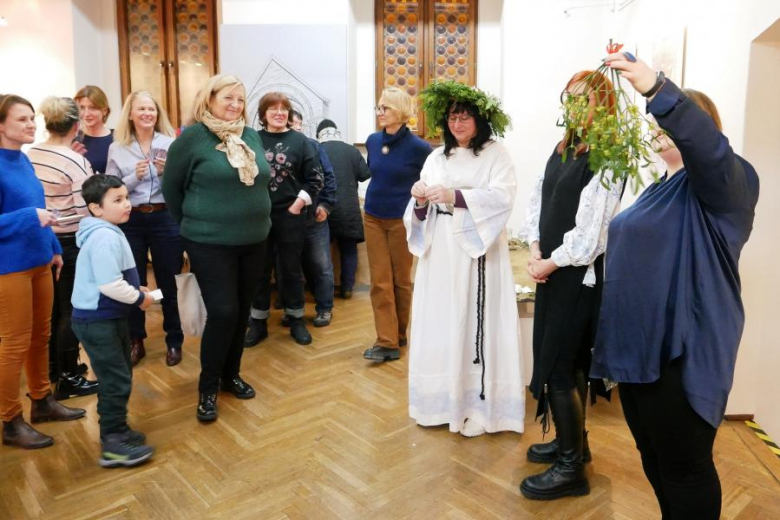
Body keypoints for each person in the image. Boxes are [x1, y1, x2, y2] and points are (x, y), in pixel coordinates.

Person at [590, 53, 759, 519]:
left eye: (681, 121)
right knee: (654, 457)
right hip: (638, 351)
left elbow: (708, 148)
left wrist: (654, 86)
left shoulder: (729, 183)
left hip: (681, 351)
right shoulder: (656, 189)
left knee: (685, 466)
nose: (663, 129)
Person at [518, 70, 624, 501]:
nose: (575, 106)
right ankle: (573, 447)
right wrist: (535, 248)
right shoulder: (563, 149)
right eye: (570, 98)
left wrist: (550, 263)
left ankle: (569, 470)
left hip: (577, 277)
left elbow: (591, 235)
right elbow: (538, 201)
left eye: (585, 99)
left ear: (604, 105)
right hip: (553, 271)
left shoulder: (608, 154)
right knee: (565, 361)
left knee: (563, 365)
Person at [404, 82, 523, 437]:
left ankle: (479, 405)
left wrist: (455, 196)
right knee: (441, 318)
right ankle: (440, 401)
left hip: (475, 252)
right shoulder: (436, 156)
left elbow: (503, 197)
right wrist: (421, 199)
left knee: (472, 318)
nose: (457, 123)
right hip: (440, 252)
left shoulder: (495, 154)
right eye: (453, 117)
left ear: (480, 120)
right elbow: (420, 209)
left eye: (465, 117)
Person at [163, 74, 272, 422]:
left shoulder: (249, 134)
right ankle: (207, 387)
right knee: (223, 312)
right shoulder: (192, 139)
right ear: (208, 99)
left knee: (241, 313)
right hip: (210, 242)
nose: (235, 106)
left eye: (240, 100)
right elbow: (172, 191)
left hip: (254, 240)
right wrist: (194, 224)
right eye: (228, 98)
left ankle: (231, 375)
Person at [0, 94, 86, 451]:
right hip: (10, 268)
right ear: (1, 125)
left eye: (32, 118)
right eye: (21, 119)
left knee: (41, 336)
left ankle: (42, 401)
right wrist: (29, 219)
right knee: (15, 343)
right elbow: (28, 214)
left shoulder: (23, 160)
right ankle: (10, 420)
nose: (31, 124)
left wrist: (52, 248)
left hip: (40, 260)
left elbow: (39, 208)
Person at [70, 174, 155, 467]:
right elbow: (108, 285)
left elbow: (113, 276)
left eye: (126, 198)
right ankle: (112, 443)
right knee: (115, 378)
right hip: (98, 319)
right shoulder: (105, 236)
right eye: (117, 200)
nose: (127, 205)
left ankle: (117, 428)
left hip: (109, 316)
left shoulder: (108, 229)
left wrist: (137, 289)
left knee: (119, 374)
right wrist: (139, 298)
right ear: (95, 208)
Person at [28, 96, 99, 399]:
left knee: (53, 309)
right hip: (69, 241)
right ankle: (69, 376)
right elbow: (86, 209)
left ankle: (56, 368)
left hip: (43, 238)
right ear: (76, 125)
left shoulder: (31, 153)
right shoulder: (75, 160)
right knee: (73, 310)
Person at [106, 91, 182, 366]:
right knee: (134, 282)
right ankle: (136, 340)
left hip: (165, 219)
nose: (147, 113)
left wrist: (166, 174)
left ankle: (174, 339)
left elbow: (180, 186)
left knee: (168, 282)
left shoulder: (171, 144)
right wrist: (132, 177)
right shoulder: (118, 147)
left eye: (151, 109)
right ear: (131, 114)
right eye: (142, 109)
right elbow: (111, 191)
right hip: (132, 220)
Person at [244, 92, 323, 347]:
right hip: (258, 215)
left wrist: (297, 206)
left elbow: (316, 178)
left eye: (284, 109)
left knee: (291, 269)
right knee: (258, 270)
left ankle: (296, 318)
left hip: (291, 215)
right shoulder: (251, 139)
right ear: (263, 113)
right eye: (273, 108)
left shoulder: (300, 141)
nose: (279, 113)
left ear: (289, 114)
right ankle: (258, 322)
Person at [362, 87, 432, 363]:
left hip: (403, 221)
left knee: (401, 281)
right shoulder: (371, 141)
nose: (380, 112)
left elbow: (428, 183)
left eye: (386, 108)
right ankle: (387, 341)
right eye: (379, 107)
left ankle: (399, 334)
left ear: (401, 112)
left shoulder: (420, 149)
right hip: (373, 217)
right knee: (380, 281)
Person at [287, 109, 336, 327]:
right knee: (288, 267)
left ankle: (325, 309)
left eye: (298, 123)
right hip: (286, 221)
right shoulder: (276, 147)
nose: (296, 127)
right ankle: (292, 310)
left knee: (322, 266)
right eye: (292, 123)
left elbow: (328, 177)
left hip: (314, 219)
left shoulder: (314, 146)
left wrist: (325, 205)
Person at [316, 119, 371, 299]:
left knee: (322, 251)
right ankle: (347, 288)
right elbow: (365, 175)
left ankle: (325, 290)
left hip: (324, 208)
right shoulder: (351, 150)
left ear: (319, 134)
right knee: (348, 250)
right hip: (349, 208)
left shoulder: (316, 150)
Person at [73, 85, 113, 174]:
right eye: (82, 108)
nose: (86, 113)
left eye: (93, 108)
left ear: (104, 111)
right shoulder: (73, 140)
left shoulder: (118, 138)